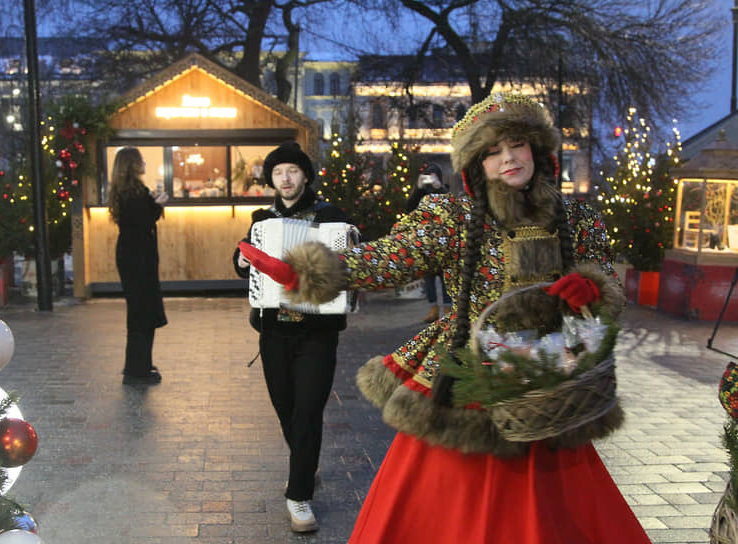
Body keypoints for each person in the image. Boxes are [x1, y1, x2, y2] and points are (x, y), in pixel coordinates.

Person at [239, 93, 651, 543]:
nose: (508, 158)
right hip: (468, 379)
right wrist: (312, 271)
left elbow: (607, 277)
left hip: (546, 382)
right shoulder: (452, 218)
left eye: (516, 144)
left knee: (553, 511)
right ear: (476, 164)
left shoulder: (576, 219)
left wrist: (593, 284)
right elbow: (391, 257)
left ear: (537, 147)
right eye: (492, 151)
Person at [232, 141, 351, 533]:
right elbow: (243, 264)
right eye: (279, 172)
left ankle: (298, 496)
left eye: (293, 171)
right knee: (286, 407)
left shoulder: (330, 216)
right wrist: (241, 259)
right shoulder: (261, 219)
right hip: (274, 331)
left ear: (305, 176)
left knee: (308, 410)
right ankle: (306, 460)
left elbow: (350, 259)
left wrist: (351, 243)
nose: (286, 178)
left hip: (317, 332)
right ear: (271, 179)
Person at [108, 147, 169, 386]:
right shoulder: (133, 192)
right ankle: (136, 370)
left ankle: (140, 364)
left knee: (140, 310)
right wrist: (158, 205)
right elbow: (143, 220)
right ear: (133, 164)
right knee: (141, 311)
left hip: (133, 255)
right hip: (137, 258)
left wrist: (154, 205)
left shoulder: (125, 190)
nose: (144, 162)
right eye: (141, 160)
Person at [406, 163, 453, 322]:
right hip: (426, 243)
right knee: (429, 279)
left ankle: (448, 308)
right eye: (427, 175)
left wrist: (438, 187)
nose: (430, 179)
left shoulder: (444, 190)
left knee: (446, 278)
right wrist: (418, 188)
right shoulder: (421, 194)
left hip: (444, 242)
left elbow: (450, 206)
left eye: (433, 176)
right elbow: (409, 208)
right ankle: (433, 308)